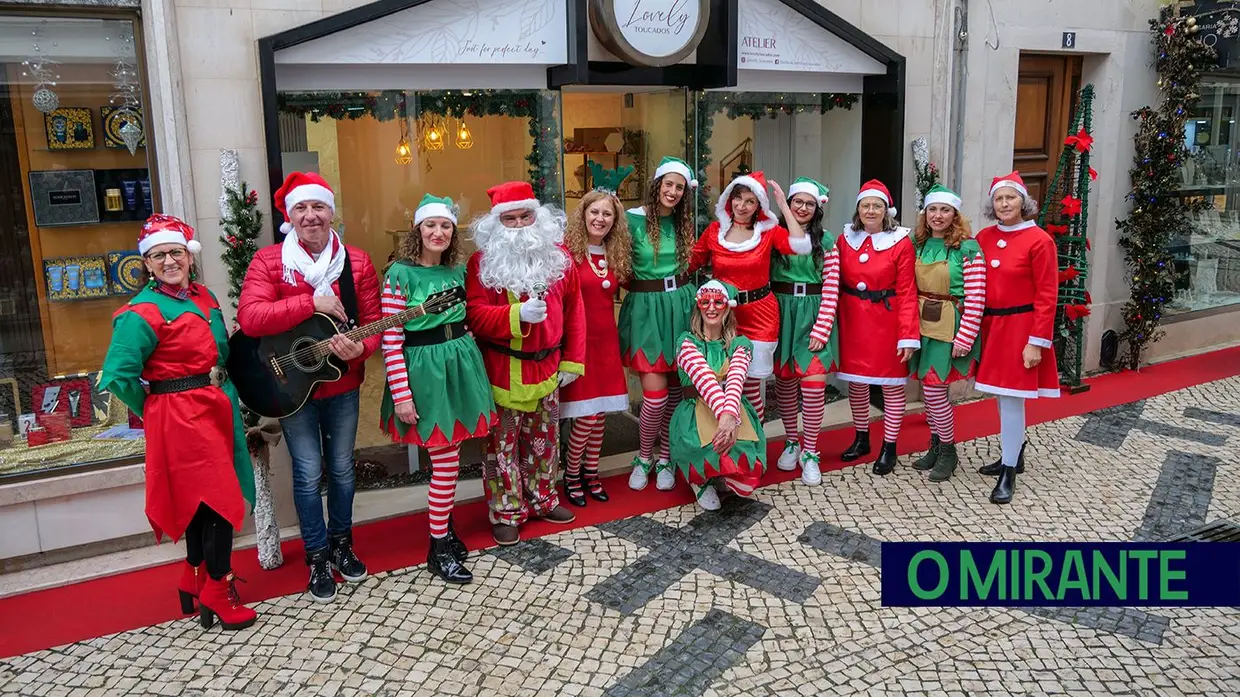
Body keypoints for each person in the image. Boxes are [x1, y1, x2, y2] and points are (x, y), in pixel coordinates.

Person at [100, 214, 256, 630]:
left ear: (189, 256)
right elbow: (117, 375)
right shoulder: (141, 312)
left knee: (201, 506)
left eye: (176, 252)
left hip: (214, 407)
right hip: (181, 417)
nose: (170, 260)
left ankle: (192, 577)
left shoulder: (204, 297)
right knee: (221, 501)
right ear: (146, 264)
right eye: (159, 255)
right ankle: (218, 591)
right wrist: (155, 401)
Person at [237, 172, 381, 603]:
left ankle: (341, 543)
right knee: (306, 472)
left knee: (340, 469)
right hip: (290, 390)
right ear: (290, 215)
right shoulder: (269, 262)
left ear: (330, 212)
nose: (311, 216)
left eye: (318, 207)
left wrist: (360, 348)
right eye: (301, 208)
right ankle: (316, 555)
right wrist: (311, 302)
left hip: (342, 384)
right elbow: (250, 318)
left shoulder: (355, 262)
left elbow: (373, 322)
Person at [379, 194, 497, 584]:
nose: (438, 232)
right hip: (425, 371)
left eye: (445, 226)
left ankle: (444, 532)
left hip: (460, 365)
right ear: (418, 229)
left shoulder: (458, 273)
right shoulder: (399, 274)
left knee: (452, 457)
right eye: (431, 225)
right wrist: (402, 394)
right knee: (445, 463)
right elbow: (391, 340)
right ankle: (438, 547)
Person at [465, 180, 587, 545]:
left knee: (545, 442)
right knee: (502, 448)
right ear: (496, 224)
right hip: (503, 371)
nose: (519, 225)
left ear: (539, 216)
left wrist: (572, 361)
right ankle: (506, 510)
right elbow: (475, 315)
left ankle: (544, 499)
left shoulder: (559, 257)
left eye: (525, 215)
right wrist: (515, 316)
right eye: (510, 218)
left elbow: (575, 312)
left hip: (548, 368)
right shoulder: (481, 264)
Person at [689, 170, 811, 422]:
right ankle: (729, 445)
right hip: (722, 317)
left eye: (750, 201)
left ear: (758, 206)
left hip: (760, 315)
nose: (742, 206)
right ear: (729, 199)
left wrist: (783, 207)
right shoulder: (714, 231)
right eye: (738, 198)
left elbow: (801, 245)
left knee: (752, 386)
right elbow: (690, 263)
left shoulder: (767, 232)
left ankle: (755, 442)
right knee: (724, 385)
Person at [974, 172, 1060, 504]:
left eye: (1011, 198)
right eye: (999, 198)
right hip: (991, 328)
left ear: (1024, 202)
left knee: (1011, 399)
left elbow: (1047, 295)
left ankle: (1009, 471)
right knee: (999, 395)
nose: (1004, 203)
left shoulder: (1039, 240)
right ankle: (1014, 453)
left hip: (1020, 328)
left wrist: (1037, 341)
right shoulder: (984, 236)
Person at [620, 156, 698, 492]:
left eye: (679, 187)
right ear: (657, 185)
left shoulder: (685, 223)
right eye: (668, 184)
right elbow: (620, 268)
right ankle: (643, 456)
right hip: (647, 311)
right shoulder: (633, 220)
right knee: (655, 397)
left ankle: (666, 457)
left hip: (682, 306)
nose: (673, 191)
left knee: (678, 393)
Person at [559, 165, 634, 506]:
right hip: (579, 343)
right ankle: (571, 475)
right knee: (585, 416)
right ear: (584, 214)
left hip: (607, 340)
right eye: (595, 211)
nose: (601, 218)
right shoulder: (567, 254)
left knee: (601, 414)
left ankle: (592, 473)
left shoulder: (616, 254)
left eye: (607, 214)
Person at [835, 180, 920, 475]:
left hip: (887, 321)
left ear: (887, 211)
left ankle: (889, 446)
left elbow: (908, 290)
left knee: (891, 386)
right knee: (857, 384)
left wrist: (908, 336)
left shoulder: (901, 242)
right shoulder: (844, 238)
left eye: (877, 206)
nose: (871, 211)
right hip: (852, 320)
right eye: (865, 205)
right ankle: (861, 438)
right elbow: (832, 281)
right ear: (858, 209)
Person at [908, 185, 986, 482]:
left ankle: (949, 450)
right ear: (925, 215)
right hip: (921, 323)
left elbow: (977, 296)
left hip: (949, 324)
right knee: (930, 391)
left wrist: (965, 336)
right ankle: (936, 444)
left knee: (934, 390)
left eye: (944, 210)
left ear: (954, 215)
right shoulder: (919, 244)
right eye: (932, 210)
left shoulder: (968, 248)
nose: (938, 215)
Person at [669, 281, 767, 511]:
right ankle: (701, 481)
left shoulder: (740, 344)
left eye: (718, 302)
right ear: (698, 307)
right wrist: (726, 416)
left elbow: (735, 379)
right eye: (705, 302)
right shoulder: (686, 342)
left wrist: (730, 415)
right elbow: (704, 379)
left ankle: (723, 473)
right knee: (702, 447)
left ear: (728, 307)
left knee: (744, 454)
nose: (711, 308)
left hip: (731, 410)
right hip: (696, 410)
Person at [771, 178, 840, 486]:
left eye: (808, 204)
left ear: (817, 209)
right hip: (781, 310)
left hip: (813, 311)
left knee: (813, 383)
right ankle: (790, 440)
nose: (802, 208)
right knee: (785, 381)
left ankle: (810, 451)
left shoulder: (826, 242)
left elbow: (832, 285)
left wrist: (823, 326)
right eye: (797, 202)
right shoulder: (775, 236)